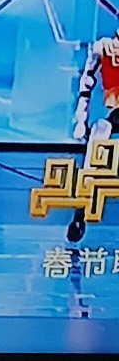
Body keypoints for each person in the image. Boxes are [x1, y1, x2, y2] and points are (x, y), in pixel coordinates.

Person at [68, 31, 119, 242]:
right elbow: (86, 82)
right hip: (114, 113)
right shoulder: (103, 47)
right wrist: (81, 119)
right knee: (96, 145)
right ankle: (79, 214)